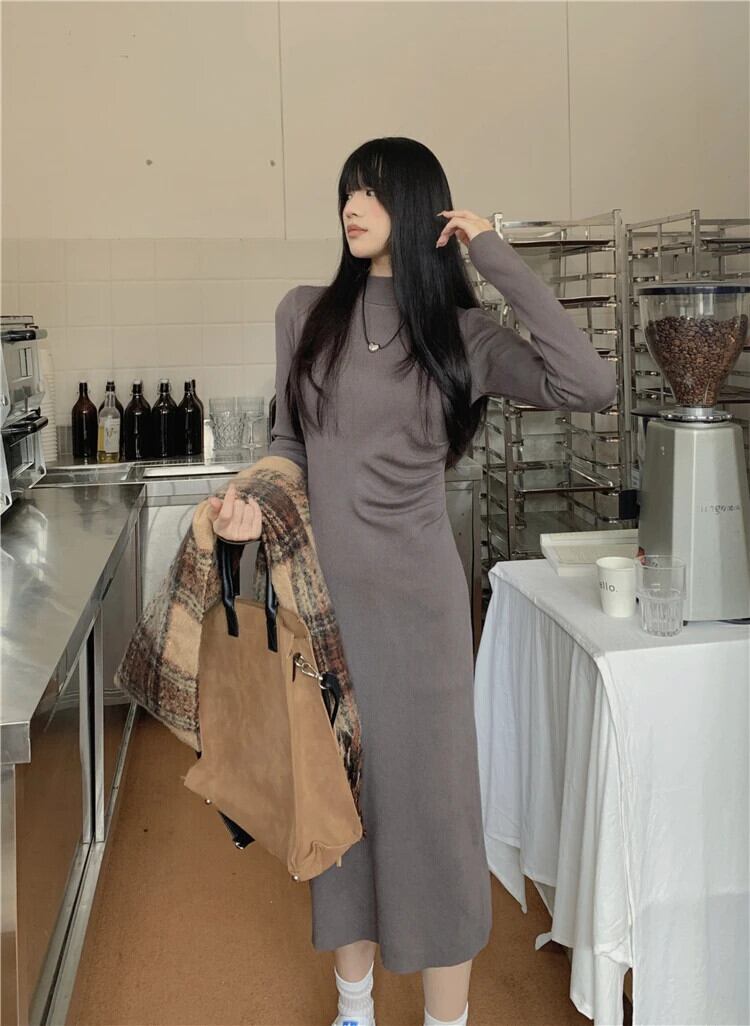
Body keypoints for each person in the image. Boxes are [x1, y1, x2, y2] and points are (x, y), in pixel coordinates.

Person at [207, 137, 617, 1026]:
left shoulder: (461, 336)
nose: (352, 206)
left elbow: (590, 384)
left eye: (373, 191)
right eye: (346, 191)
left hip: (422, 621)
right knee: (339, 809)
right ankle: (354, 1008)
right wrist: (250, 504)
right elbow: (288, 445)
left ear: (422, 206)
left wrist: (494, 255)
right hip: (326, 615)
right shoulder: (304, 313)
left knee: (432, 821)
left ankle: (445, 1020)